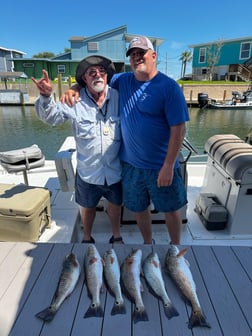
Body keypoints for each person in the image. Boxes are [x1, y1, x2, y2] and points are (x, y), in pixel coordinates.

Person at [61, 36, 189, 245]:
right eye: (133, 54)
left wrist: (168, 165)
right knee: (139, 209)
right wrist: (74, 88)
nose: (137, 57)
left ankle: (176, 249)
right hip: (130, 166)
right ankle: (149, 244)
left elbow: (179, 129)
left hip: (161, 166)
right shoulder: (123, 80)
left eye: (142, 53)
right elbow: (95, 79)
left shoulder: (169, 87)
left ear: (153, 56)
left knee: (171, 209)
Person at [32, 55, 124, 244]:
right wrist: (46, 96)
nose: (97, 75)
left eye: (101, 71)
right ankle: (87, 237)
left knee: (115, 205)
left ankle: (117, 235)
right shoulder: (74, 100)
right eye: (91, 72)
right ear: (84, 79)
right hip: (87, 172)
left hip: (115, 170)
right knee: (87, 207)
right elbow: (51, 118)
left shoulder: (120, 97)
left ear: (107, 76)